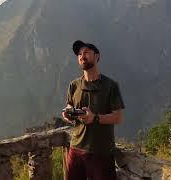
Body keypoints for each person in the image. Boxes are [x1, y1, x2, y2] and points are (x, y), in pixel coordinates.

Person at [62, 40, 125, 180]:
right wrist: (68, 113)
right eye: (79, 54)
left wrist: (94, 118)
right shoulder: (74, 85)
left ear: (97, 56)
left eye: (86, 52)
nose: (82, 56)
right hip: (75, 148)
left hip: (101, 152)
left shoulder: (110, 86)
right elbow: (69, 105)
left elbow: (118, 117)